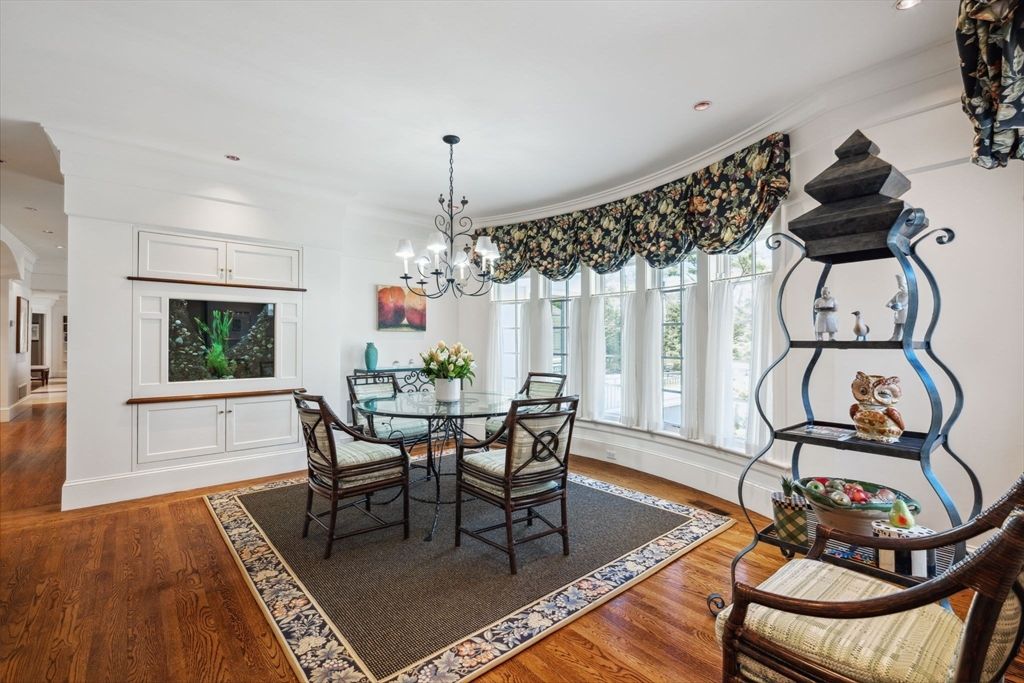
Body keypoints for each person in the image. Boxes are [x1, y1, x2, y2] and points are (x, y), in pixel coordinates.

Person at [886, 274, 909, 342]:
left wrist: (901, 307)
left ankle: (906, 338)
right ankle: (895, 338)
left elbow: (911, 304)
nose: (900, 288)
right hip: (898, 314)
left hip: (905, 314)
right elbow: (890, 302)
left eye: (902, 286)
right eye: (899, 286)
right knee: (897, 326)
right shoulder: (898, 294)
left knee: (905, 327)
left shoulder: (910, 295)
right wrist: (891, 305)